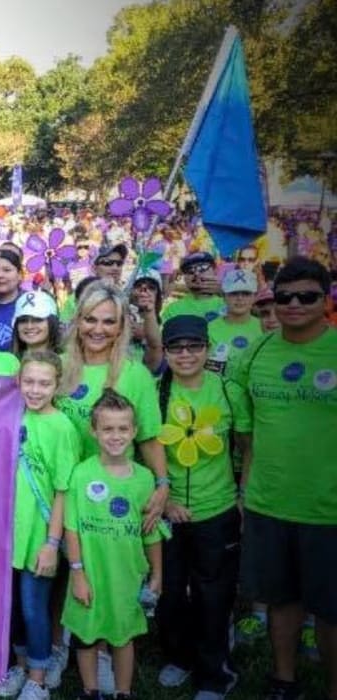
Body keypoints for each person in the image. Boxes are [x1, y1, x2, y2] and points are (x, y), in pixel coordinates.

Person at [231, 257, 337, 700]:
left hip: (328, 508)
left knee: (332, 609)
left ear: (325, 300)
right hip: (268, 501)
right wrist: (246, 487)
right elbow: (247, 435)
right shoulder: (253, 354)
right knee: (280, 598)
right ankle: (284, 679)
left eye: (307, 296)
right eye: (284, 296)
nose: (294, 304)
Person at [153, 316, 249, 699]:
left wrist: (242, 496)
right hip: (168, 512)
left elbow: (247, 446)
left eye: (194, 346)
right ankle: (180, 657)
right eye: (176, 347)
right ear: (166, 351)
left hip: (217, 511)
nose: (186, 354)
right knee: (170, 593)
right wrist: (167, 501)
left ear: (208, 348)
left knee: (213, 597)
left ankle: (216, 675)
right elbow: (146, 450)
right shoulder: (156, 391)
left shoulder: (228, 391)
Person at [62, 390, 164, 700]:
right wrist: (78, 573)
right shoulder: (81, 474)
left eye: (123, 429)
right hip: (89, 574)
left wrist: (157, 572)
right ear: (94, 431)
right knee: (86, 636)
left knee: (123, 636)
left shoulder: (145, 479)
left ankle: (123, 692)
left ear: (134, 431)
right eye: (107, 429)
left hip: (126, 576)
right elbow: (72, 529)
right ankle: (90, 691)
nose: (115, 436)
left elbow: (151, 533)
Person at [0, 350, 80, 700]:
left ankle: (39, 679)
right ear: (18, 381)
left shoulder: (62, 428)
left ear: (57, 385)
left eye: (44, 383)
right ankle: (19, 666)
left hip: (39, 535)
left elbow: (63, 490)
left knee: (34, 607)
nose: (35, 389)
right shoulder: (11, 414)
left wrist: (51, 542)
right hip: (8, 529)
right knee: (11, 606)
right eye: (28, 381)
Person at [58, 281, 169, 531]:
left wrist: (163, 485)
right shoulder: (57, 367)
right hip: (60, 494)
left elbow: (149, 439)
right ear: (77, 322)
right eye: (90, 319)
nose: (98, 329)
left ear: (120, 328)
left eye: (108, 322)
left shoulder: (136, 375)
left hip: (110, 500)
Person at [206, 268, 260, 375]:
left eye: (246, 293)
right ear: (224, 297)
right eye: (234, 293)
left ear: (255, 297)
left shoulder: (265, 328)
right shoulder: (208, 329)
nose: (240, 298)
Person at [163, 252, 224, 322]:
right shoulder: (173, 309)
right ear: (185, 278)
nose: (196, 273)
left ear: (215, 271)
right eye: (190, 270)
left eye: (202, 268)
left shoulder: (230, 302)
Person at [127, 271, 164, 375]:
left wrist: (144, 336)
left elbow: (157, 349)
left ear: (158, 296)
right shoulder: (117, 317)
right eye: (138, 286)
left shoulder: (164, 323)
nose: (144, 290)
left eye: (151, 287)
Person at [12, 290, 62, 358]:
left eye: (38, 320)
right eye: (23, 320)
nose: (29, 326)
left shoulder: (67, 362)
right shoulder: (7, 363)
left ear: (52, 322)